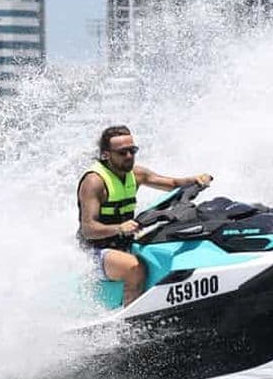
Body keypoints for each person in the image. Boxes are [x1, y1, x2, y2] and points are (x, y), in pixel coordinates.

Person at [77, 125, 212, 306]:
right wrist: (119, 228)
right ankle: (128, 327)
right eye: (122, 152)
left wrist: (195, 179)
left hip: (124, 243)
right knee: (136, 268)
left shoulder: (136, 174)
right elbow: (88, 229)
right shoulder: (94, 182)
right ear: (106, 155)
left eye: (132, 151)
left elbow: (171, 183)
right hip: (94, 251)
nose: (129, 156)